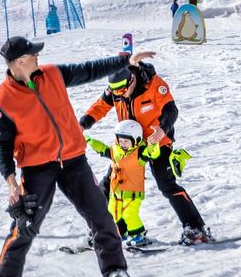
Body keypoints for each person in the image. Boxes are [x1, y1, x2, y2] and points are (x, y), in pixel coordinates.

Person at [0, 36, 155, 277]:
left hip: (73, 159)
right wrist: (11, 183)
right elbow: (2, 145)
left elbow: (88, 69)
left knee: (102, 216)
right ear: (20, 62)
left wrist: (126, 61)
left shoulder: (51, 74)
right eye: (33, 55)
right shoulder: (2, 101)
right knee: (26, 226)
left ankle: (115, 272)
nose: (38, 57)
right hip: (37, 167)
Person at [81, 62, 213, 245]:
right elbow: (99, 107)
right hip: (129, 146)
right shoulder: (117, 90)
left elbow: (171, 110)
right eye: (115, 93)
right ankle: (109, 229)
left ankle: (196, 229)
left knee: (166, 183)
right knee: (111, 185)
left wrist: (162, 129)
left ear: (132, 79)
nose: (119, 96)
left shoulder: (154, 85)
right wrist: (82, 124)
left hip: (157, 141)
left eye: (122, 91)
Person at [85, 120, 162, 247]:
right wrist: (90, 141)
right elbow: (103, 149)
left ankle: (139, 236)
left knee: (129, 214)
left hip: (132, 193)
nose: (123, 144)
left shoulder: (140, 153)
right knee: (112, 213)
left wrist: (153, 143)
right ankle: (118, 233)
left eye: (126, 141)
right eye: (120, 140)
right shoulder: (116, 150)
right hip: (116, 192)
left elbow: (153, 153)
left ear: (136, 139)